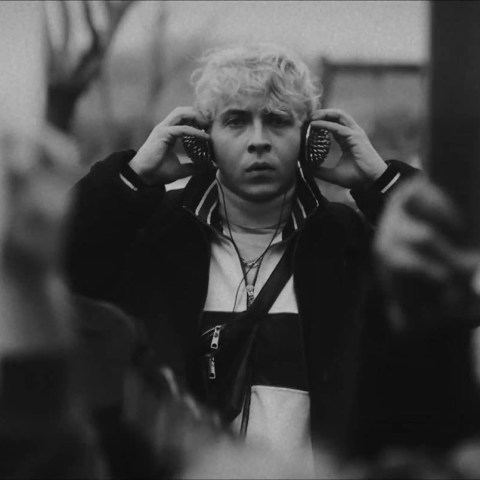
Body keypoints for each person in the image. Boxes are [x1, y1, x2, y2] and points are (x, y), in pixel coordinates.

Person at [64, 43, 417, 474]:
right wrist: (132, 178)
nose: (258, 141)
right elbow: (54, 267)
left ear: (308, 138)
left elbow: (457, 289)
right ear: (205, 138)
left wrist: (382, 183)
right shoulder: (155, 237)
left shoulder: (348, 243)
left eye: (278, 121)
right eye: (235, 121)